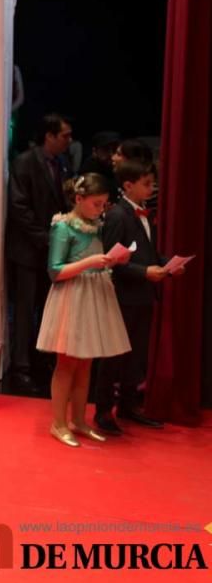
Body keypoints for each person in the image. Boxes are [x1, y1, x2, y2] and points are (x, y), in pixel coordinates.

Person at [36, 174, 131, 447]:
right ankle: (58, 422)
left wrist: (112, 260)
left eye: (103, 205)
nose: (100, 210)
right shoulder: (63, 227)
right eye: (96, 204)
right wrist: (89, 262)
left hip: (93, 294)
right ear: (79, 199)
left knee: (86, 362)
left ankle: (78, 419)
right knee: (66, 363)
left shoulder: (96, 225)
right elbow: (55, 271)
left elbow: (97, 262)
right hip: (71, 296)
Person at [95, 159, 170, 434]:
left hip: (142, 295)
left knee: (136, 355)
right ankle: (103, 411)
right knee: (114, 355)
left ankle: (127, 405)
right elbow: (111, 259)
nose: (152, 188)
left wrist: (167, 264)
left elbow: (146, 254)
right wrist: (144, 272)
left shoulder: (142, 214)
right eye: (147, 183)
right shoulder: (117, 215)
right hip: (124, 296)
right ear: (128, 185)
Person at [5, 113, 74, 395]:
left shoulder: (62, 163)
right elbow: (19, 208)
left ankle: (42, 359)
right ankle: (21, 366)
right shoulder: (24, 162)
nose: (68, 141)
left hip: (51, 249)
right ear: (49, 136)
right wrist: (45, 239)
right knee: (24, 310)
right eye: (64, 136)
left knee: (48, 309)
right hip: (28, 250)